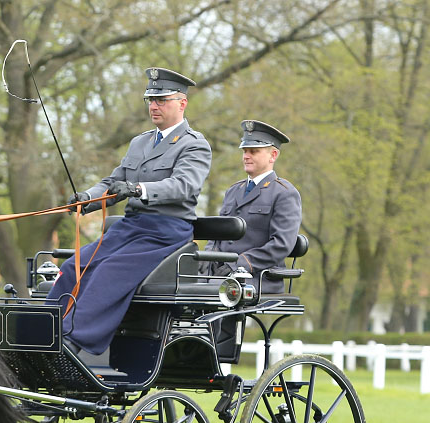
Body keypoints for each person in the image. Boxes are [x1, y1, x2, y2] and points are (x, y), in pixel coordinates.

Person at [46, 67, 211, 355]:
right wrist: (88, 198)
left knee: (108, 271)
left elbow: (184, 185)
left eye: (161, 100)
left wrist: (138, 190)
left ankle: (74, 343)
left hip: (165, 232)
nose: (154, 106)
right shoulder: (140, 142)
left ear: (182, 103)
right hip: (130, 227)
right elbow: (112, 183)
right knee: (74, 265)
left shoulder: (194, 145)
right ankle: (44, 333)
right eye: (150, 99)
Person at [200, 120, 302, 360]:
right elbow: (218, 235)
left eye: (254, 151)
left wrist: (240, 264)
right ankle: (192, 357)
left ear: (273, 155)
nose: (246, 155)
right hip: (222, 273)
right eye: (245, 151)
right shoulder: (233, 191)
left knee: (218, 293)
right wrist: (206, 261)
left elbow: (281, 245)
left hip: (259, 277)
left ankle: (216, 359)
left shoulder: (284, 193)